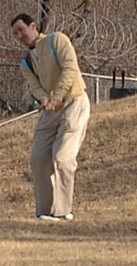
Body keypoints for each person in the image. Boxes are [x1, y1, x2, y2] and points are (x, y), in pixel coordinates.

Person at [10, 13, 90, 222]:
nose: (19, 36)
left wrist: (59, 95)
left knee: (62, 158)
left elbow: (70, 68)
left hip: (74, 102)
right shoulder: (26, 63)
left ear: (33, 26)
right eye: (15, 33)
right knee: (38, 159)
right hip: (50, 111)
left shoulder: (57, 40)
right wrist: (45, 99)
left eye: (22, 30)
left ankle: (63, 212)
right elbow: (34, 86)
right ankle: (45, 211)